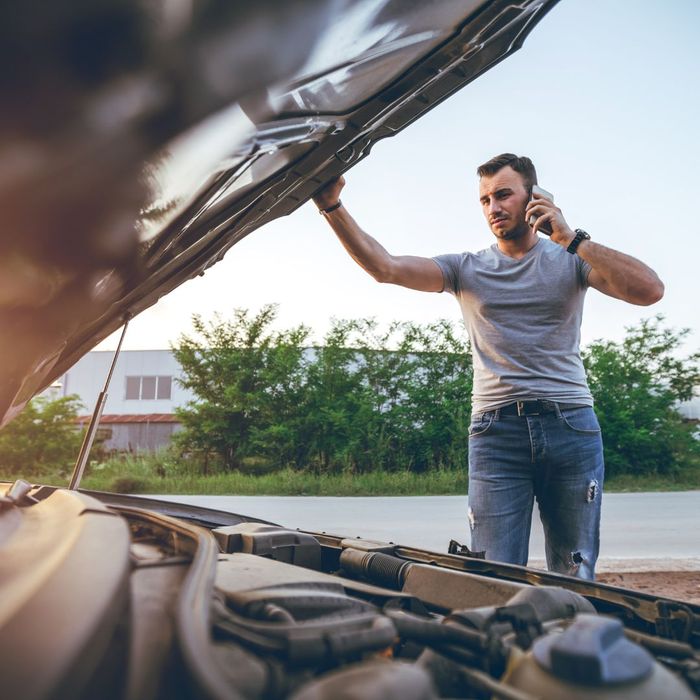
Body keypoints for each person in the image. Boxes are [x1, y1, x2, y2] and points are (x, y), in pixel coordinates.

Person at [312, 153, 664, 579]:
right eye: (484, 200)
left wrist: (571, 237)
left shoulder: (571, 259)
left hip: (571, 425)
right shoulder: (467, 268)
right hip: (496, 435)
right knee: (491, 578)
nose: (493, 208)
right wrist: (331, 207)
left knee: (576, 575)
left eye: (503, 195)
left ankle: (566, 643)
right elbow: (385, 267)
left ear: (533, 199)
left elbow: (650, 290)